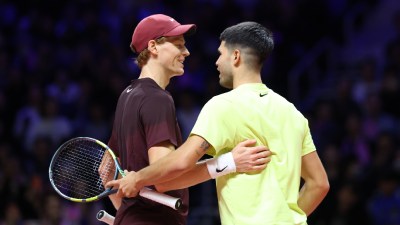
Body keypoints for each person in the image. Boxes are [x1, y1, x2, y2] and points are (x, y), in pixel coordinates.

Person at [106, 14, 271, 225]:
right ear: (153, 47)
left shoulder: (127, 95)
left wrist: (127, 213)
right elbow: (167, 175)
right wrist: (230, 162)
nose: (186, 52)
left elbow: (106, 169)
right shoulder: (157, 98)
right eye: (178, 45)